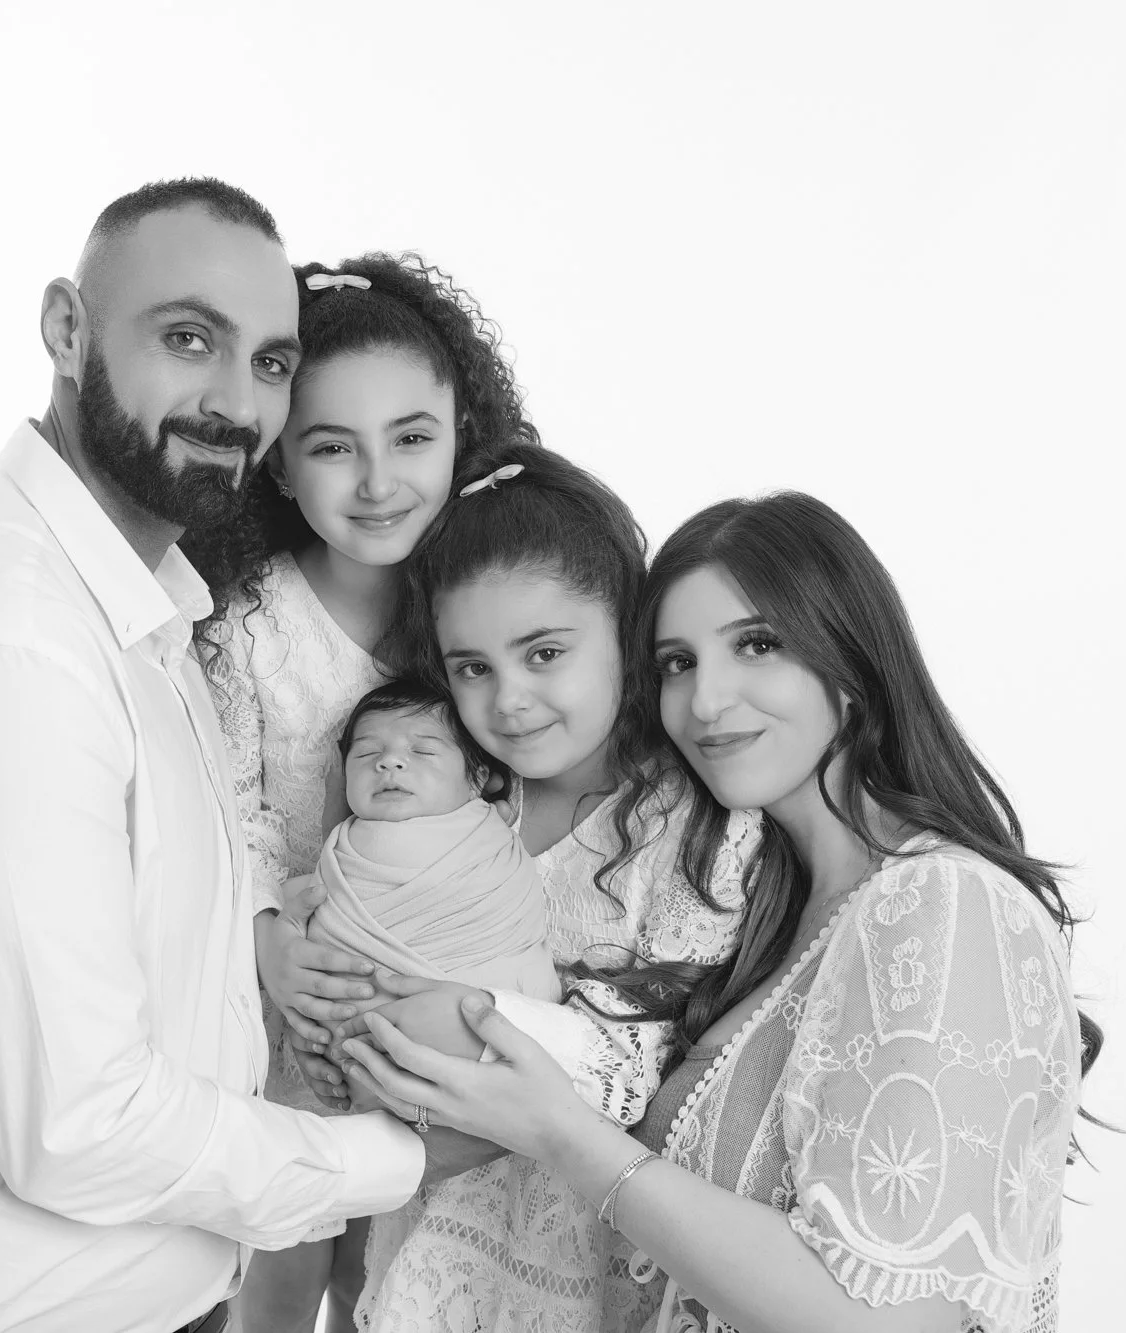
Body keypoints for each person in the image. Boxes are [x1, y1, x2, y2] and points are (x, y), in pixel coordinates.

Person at [0, 178, 483, 1333]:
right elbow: (78, 1121)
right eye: (187, 338)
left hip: (155, 1291)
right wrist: (404, 1156)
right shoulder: (0, 636)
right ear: (66, 328)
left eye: (266, 363)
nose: (232, 400)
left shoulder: (135, 612)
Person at [339, 492, 1099, 1333]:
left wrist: (560, 1130)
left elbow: (894, 1320)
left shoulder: (941, 902)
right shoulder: (766, 911)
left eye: (757, 645)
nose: (705, 700)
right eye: (677, 662)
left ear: (850, 655)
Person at [286, 443, 755, 1332]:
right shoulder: (454, 797)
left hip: (582, 1270)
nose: (508, 699)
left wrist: (464, 1012)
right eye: (473, 667)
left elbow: (668, 1069)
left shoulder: (686, 823)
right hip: (416, 1250)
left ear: (626, 629)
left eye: (544, 653)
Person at [177, 252, 537, 1333]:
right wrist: (267, 936)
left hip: (445, 999)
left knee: (391, 1266)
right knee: (279, 1249)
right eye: (332, 447)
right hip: (291, 993)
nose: (377, 483)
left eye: (411, 439)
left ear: (459, 438)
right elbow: (213, 806)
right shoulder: (245, 626)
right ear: (278, 463)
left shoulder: (479, 614)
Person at [310, 679, 558, 1008]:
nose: (388, 763)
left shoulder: (490, 839)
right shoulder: (341, 847)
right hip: (361, 1011)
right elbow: (321, 915)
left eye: (423, 751)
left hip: (489, 1009)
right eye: (368, 752)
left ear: (477, 779)